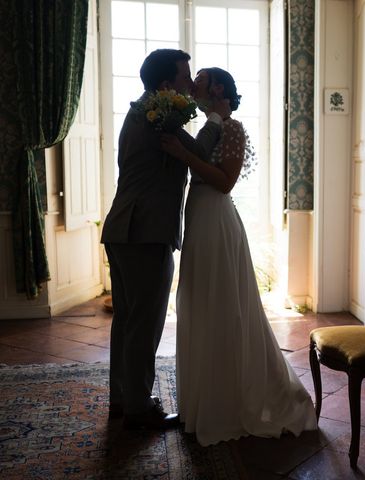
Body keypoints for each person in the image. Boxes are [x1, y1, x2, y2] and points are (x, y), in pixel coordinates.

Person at [159, 67, 318, 446]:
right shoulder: (207, 127)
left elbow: (225, 180)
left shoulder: (231, 128)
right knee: (198, 304)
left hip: (215, 217)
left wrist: (183, 155)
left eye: (200, 78)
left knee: (221, 305)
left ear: (216, 89)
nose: (193, 82)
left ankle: (227, 405)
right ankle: (199, 404)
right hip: (199, 215)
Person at [101, 49, 229, 430]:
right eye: (185, 76)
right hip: (145, 232)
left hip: (123, 228)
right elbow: (201, 151)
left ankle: (122, 400)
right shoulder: (159, 118)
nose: (191, 84)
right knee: (144, 323)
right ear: (165, 86)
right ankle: (138, 411)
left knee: (126, 321)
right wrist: (217, 118)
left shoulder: (142, 111)